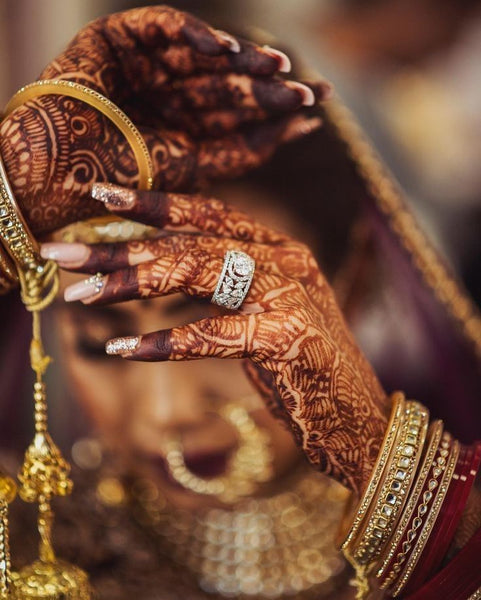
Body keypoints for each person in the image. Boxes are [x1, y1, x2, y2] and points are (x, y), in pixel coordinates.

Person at [0, 6, 480, 600]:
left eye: (225, 327)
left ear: (350, 282)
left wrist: (388, 472)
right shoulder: (31, 551)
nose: (167, 410)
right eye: (101, 345)